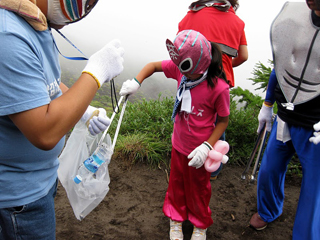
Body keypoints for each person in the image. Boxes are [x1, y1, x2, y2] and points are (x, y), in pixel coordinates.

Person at [0, 0, 125, 239]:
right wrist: (96, 73)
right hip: (17, 197)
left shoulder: (35, 24)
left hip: (39, 180)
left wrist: (84, 111)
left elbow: (47, 85)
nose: (81, 12)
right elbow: (44, 133)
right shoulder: (7, 35)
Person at [119, 30, 230, 240]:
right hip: (178, 145)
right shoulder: (183, 71)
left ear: (200, 65)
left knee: (199, 189)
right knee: (176, 185)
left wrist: (207, 147)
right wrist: (136, 81)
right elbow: (152, 66)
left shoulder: (219, 88)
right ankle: (176, 219)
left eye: (186, 70)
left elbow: (223, 121)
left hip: (200, 151)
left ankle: (200, 224)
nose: (182, 74)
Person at [249, 1, 320, 239]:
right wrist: (268, 104)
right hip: (286, 117)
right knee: (269, 169)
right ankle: (269, 210)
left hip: (315, 127)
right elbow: (280, 65)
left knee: (313, 189)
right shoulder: (298, 19)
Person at [178, 0, 248, 180]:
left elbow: (181, 48)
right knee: (217, 122)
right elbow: (244, 56)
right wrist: (224, 64)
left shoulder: (191, 14)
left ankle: (185, 155)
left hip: (191, 76)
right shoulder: (237, 22)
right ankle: (212, 169)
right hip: (219, 78)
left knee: (188, 116)